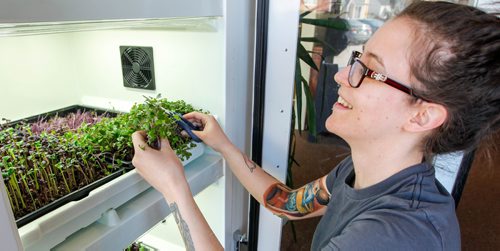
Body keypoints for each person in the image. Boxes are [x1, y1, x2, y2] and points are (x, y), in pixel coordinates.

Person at [131, 1, 500, 250]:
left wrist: (174, 189)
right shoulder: (365, 172)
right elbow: (288, 203)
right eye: (357, 58)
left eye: (369, 71)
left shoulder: (393, 234)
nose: (341, 74)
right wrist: (225, 146)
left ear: (422, 115)